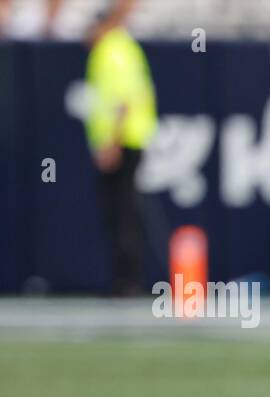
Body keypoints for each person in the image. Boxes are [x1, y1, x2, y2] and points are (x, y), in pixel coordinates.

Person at [84, 0, 156, 295]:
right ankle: (126, 279)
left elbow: (122, 102)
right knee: (123, 210)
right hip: (131, 139)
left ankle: (126, 281)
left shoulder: (111, 50)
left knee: (122, 212)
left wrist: (110, 142)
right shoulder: (123, 47)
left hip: (123, 141)